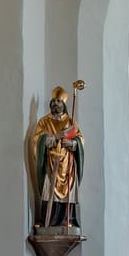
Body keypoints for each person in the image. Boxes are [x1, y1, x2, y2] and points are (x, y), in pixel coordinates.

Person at [31, 82, 86, 231]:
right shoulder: (44, 121)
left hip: (68, 165)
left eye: (59, 101)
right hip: (51, 163)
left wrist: (73, 144)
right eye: (54, 101)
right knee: (49, 191)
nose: (55, 103)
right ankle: (48, 220)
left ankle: (68, 220)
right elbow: (37, 140)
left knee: (68, 192)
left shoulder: (71, 122)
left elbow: (80, 139)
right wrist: (56, 136)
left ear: (64, 104)